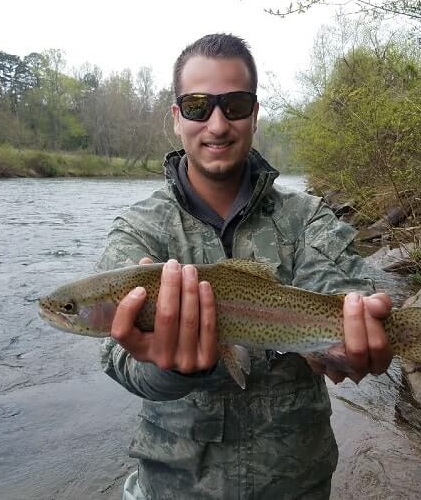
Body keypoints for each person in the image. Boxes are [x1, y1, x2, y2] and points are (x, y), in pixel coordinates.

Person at [96, 33, 393, 499]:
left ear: (254, 114)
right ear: (177, 119)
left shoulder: (308, 217)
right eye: (197, 106)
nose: (217, 124)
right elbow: (119, 361)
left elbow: (341, 293)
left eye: (234, 105)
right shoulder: (138, 230)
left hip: (295, 483)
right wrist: (171, 369)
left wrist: (358, 339)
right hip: (176, 486)